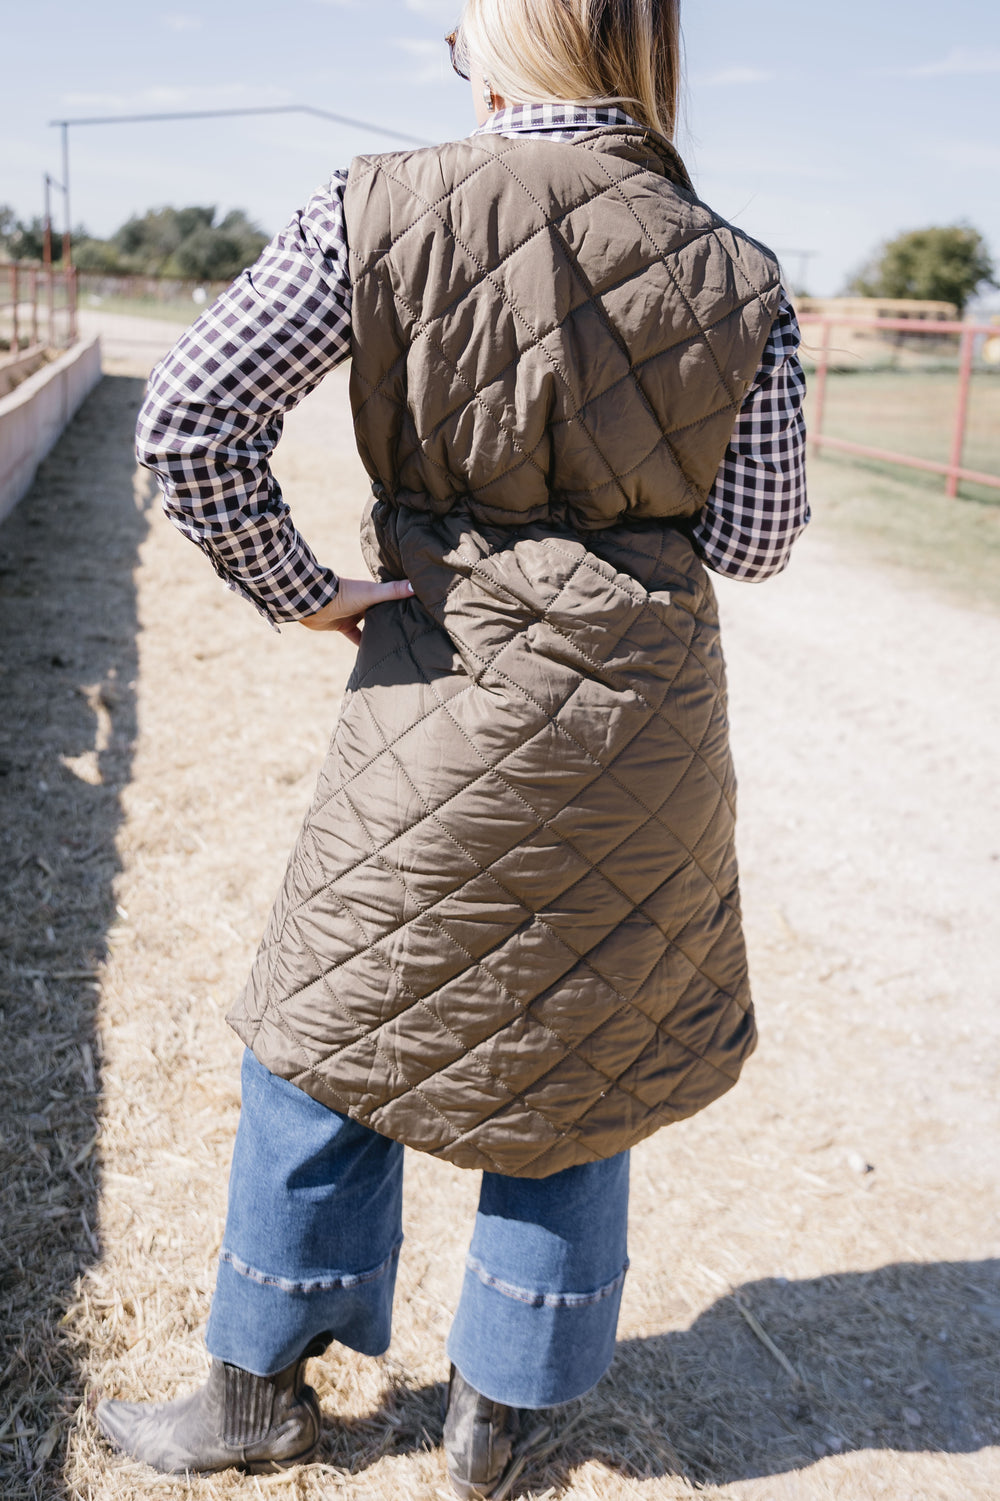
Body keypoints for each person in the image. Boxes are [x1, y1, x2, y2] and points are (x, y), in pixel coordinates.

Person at [95, 0, 808, 1493]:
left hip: (438, 683)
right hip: (644, 727)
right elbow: (757, 537)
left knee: (325, 1036)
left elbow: (189, 422)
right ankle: (505, 1421)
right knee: (581, 1055)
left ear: (500, 48)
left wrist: (309, 592)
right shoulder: (742, 272)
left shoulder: (373, 208)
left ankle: (257, 1388)